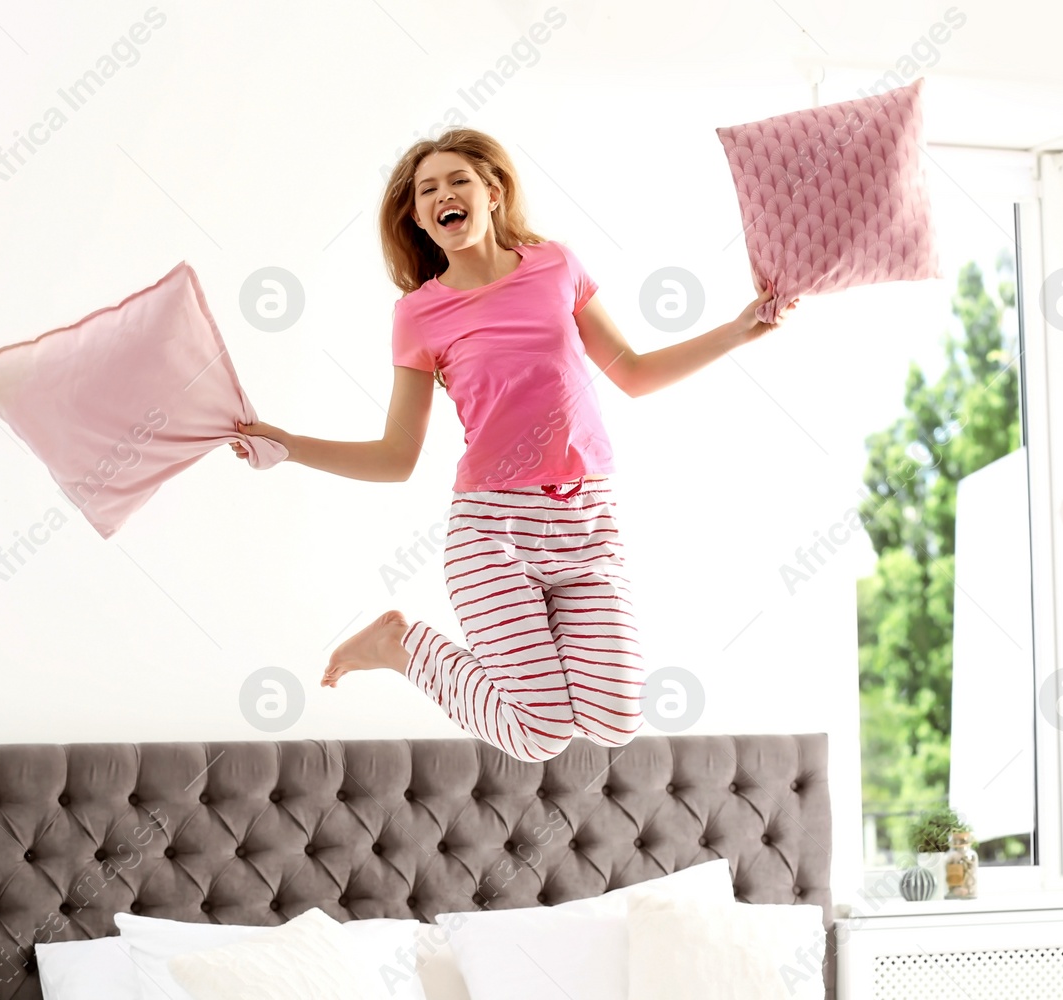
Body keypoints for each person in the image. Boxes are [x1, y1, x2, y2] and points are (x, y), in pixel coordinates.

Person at [231, 127, 797, 761]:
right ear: (418, 218)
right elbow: (396, 457)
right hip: (494, 529)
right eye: (426, 191)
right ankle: (400, 646)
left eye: (458, 181)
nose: (443, 195)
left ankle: (457, 646)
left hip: (589, 520)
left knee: (618, 720)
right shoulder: (419, 314)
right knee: (540, 733)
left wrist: (739, 331)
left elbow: (633, 374)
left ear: (492, 192)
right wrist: (287, 443)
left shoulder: (557, 265)